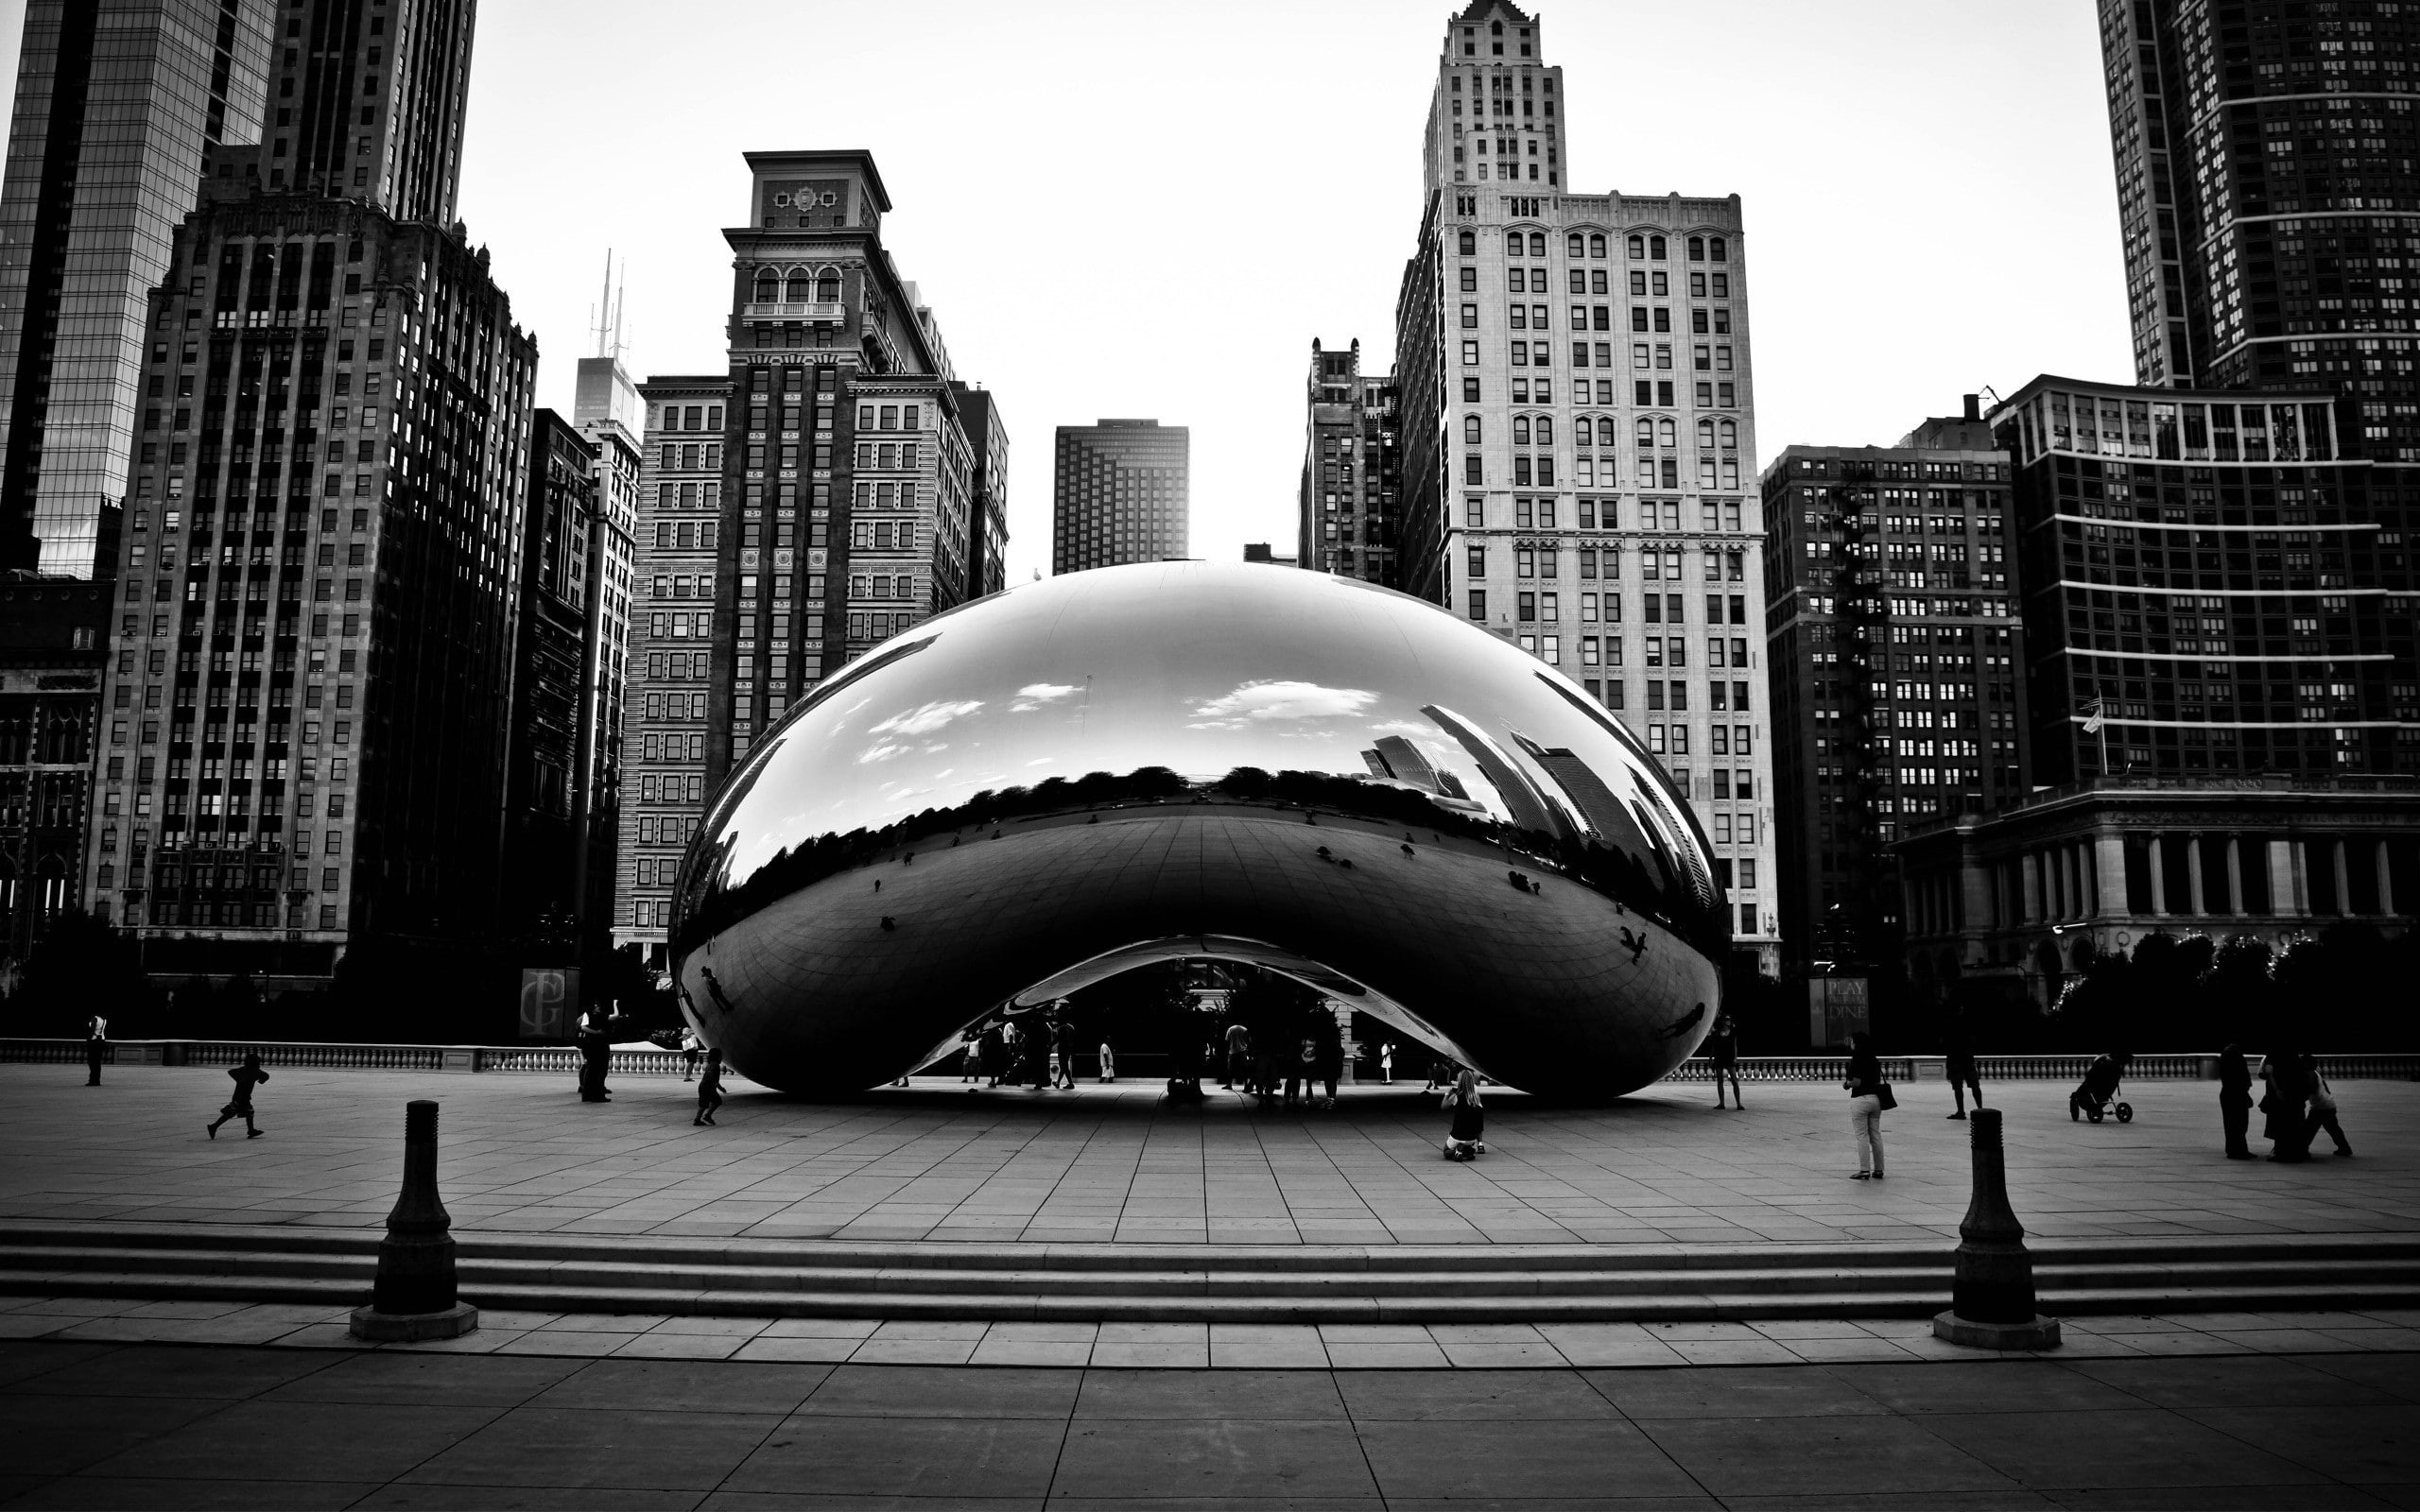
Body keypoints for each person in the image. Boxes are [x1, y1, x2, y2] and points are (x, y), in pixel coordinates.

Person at [1843, 1030, 1885, 1180]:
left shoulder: (1856, 1058)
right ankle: (1879, 1169)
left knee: (1862, 1136)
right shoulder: (1874, 1059)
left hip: (1860, 1099)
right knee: (1876, 1135)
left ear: (1856, 1043)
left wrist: (1846, 1084)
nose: (1851, 1044)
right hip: (1876, 1099)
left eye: (1852, 1041)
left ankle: (1864, 1170)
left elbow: (1856, 1082)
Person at [2258, 1049, 2312, 1161]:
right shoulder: (2295, 1056)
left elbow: (2268, 1072)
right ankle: (2297, 1151)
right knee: (2294, 1123)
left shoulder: (2273, 1054)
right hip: (2295, 1094)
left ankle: (2281, 1152)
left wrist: (2277, 1090)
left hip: (2279, 1096)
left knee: (2280, 1123)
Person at [206, 1053, 269, 1139]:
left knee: (245, 1112)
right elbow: (266, 1076)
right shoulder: (254, 1072)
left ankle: (250, 1130)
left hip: (239, 1095)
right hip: (242, 1097)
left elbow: (231, 1072)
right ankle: (214, 1126)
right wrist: (261, 1081)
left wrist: (239, 1078)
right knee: (235, 1113)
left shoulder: (243, 1070)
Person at [2302, 1054, 2353, 1157]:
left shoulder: (2310, 1073)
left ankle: (2302, 1150)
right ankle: (2344, 1148)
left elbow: (2312, 1088)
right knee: (2333, 1129)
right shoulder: (2315, 1073)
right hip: (2328, 1104)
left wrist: (2302, 1097)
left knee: (2308, 1130)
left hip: (2320, 1107)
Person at [2218, 1042, 2256, 1160]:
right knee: (2238, 1123)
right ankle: (2238, 1150)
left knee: (2233, 1124)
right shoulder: (2233, 1054)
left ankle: (2237, 1150)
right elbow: (2239, 1075)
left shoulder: (2229, 1053)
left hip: (2231, 1092)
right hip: (2235, 1093)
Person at [1944, 1015, 1983, 1120]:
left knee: (1958, 1088)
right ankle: (1980, 1109)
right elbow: (1973, 1040)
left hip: (1956, 1061)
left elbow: (1947, 1046)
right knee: (1974, 1086)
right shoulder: (1967, 1024)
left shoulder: (1950, 1026)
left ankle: (1961, 1111)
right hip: (1967, 1060)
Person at [1441, 1068, 1486, 1160]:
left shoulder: (1456, 1097)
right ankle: (1467, 1151)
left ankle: (1457, 1152)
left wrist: (1447, 1094)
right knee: (1466, 1143)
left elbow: (1443, 1106)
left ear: (1459, 1081)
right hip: (1472, 1137)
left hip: (1458, 1135)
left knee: (1446, 1152)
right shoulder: (1475, 1098)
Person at [1704, 1008, 1742, 1109]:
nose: (1728, 1022)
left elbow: (1735, 1046)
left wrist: (1735, 1057)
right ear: (1723, 1021)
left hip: (1729, 1057)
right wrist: (1710, 1058)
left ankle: (1738, 1103)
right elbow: (1713, 1047)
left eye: (1729, 1020)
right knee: (1720, 1080)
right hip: (1719, 1057)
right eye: (1726, 1020)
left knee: (1734, 1080)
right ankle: (1722, 1103)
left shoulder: (1733, 1032)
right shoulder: (1717, 1033)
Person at [694, 1046, 725, 1125]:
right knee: (716, 1101)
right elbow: (711, 1074)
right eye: (721, 1056)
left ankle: (698, 1119)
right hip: (708, 1087)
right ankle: (706, 1116)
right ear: (717, 1057)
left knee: (704, 1104)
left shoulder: (711, 1064)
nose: (722, 1058)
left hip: (704, 1087)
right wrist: (719, 1087)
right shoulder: (715, 1065)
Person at [1222, 1019, 1250, 1091]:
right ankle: (1246, 1085)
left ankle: (1229, 1084)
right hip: (1243, 1051)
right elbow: (1248, 1041)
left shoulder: (1230, 1029)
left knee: (1230, 1069)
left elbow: (1227, 1040)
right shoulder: (1244, 1029)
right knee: (1244, 1069)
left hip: (1232, 1051)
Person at [84, 1013, 109, 1087]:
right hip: (101, 1040)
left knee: (91, 1061)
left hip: (94, 1041)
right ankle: (96, 1080)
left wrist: (88, 1040)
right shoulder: (104, 1020)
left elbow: (92, 1030)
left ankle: (92, 1080)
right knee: (97, 1062)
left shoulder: (95, 1018)